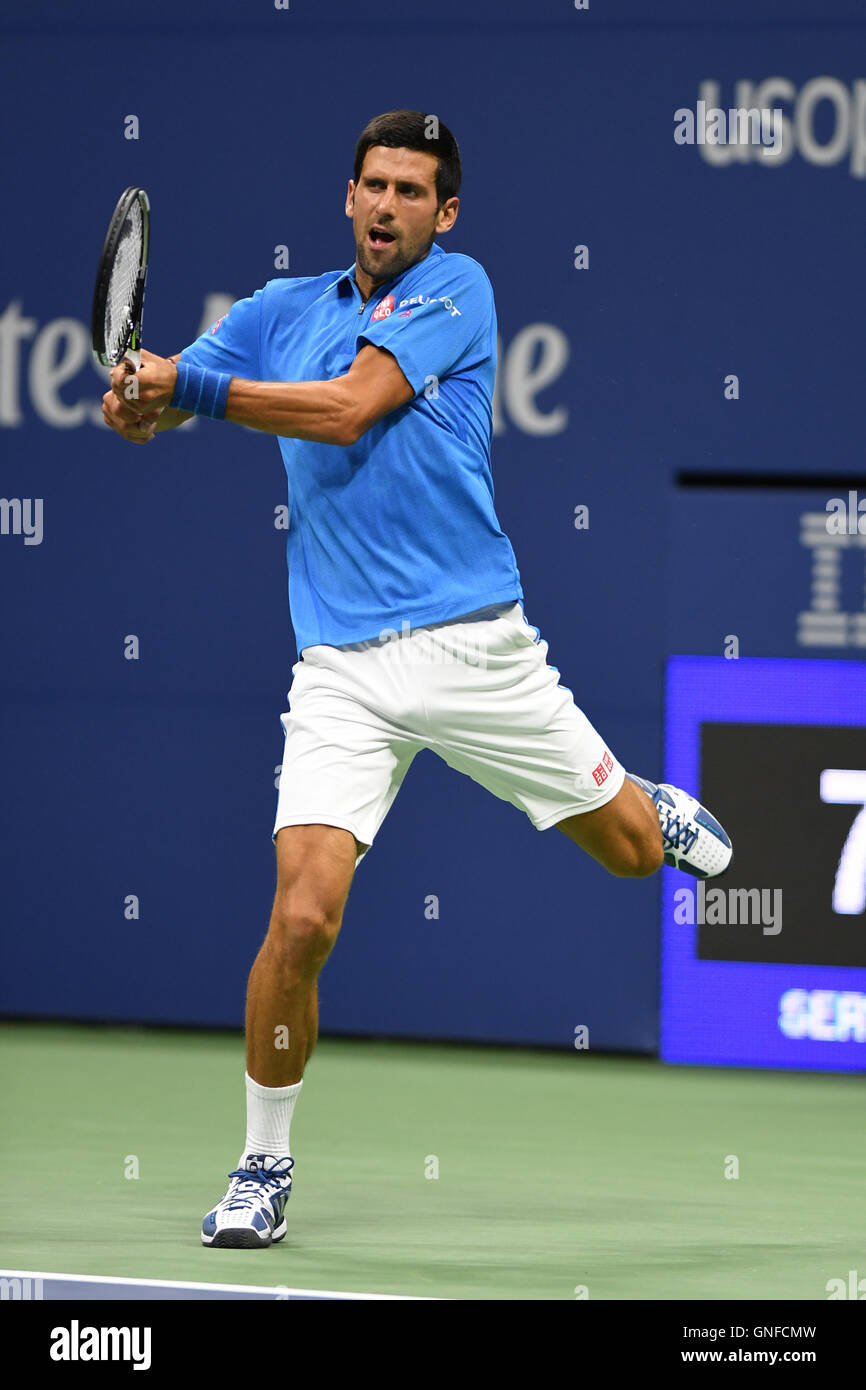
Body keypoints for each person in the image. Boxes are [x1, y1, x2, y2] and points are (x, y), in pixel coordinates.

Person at [102, 109, 732, 1250]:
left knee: (635, 854)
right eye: (371, 185)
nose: (387, 205)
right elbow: (163, 403)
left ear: (442, 214)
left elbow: (345, 412)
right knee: (301, 916)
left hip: (476, 650)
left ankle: (642, 796)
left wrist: (183, 391)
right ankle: (262, 1162)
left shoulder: (460, 290)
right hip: (339, 666)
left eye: (410, 190)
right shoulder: (276, 312)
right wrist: (137, 401)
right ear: (345, 198)